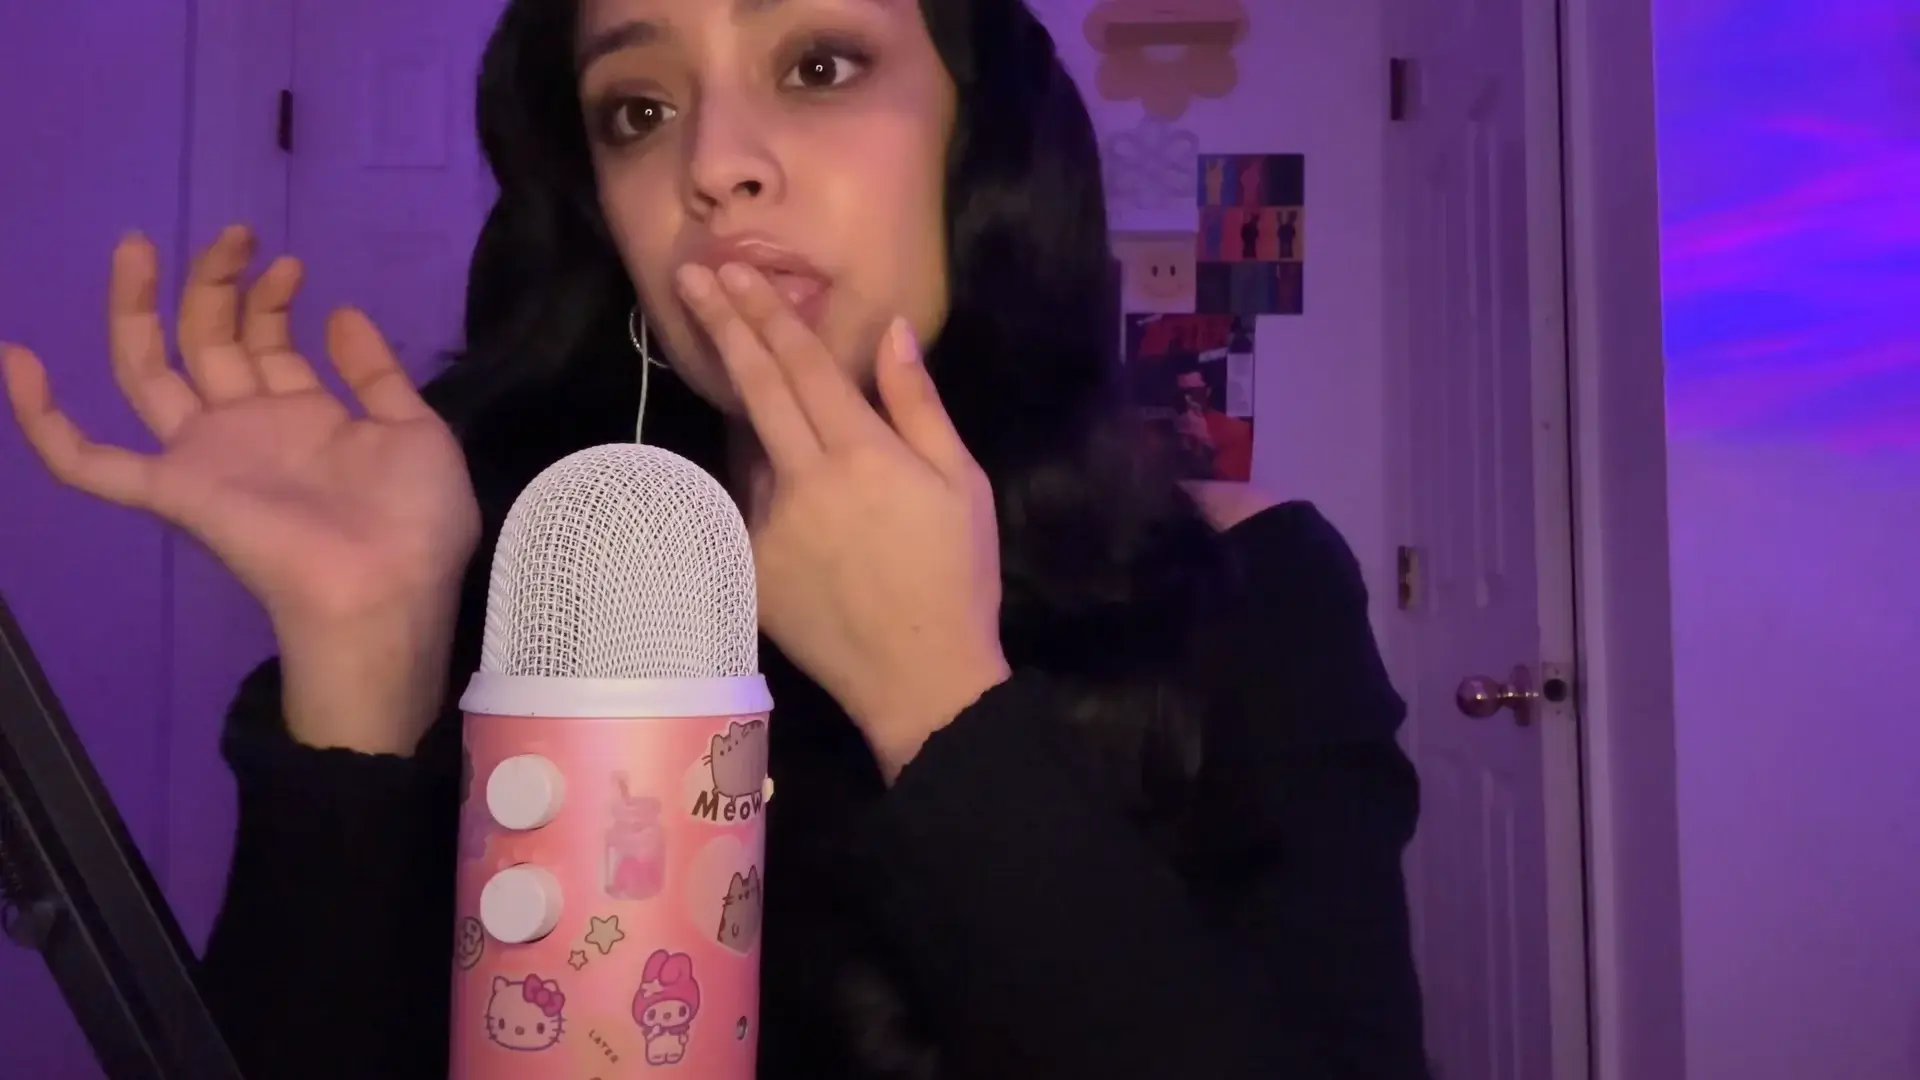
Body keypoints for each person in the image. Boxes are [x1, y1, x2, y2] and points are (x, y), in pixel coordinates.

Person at [1, 0, 1430, 1077]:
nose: (715, 164)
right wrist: (366, 663)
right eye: (637, 108)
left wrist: (938, 701)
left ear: (977, 146)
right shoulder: (526, 579)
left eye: (820, 66)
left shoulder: (1252, 586)